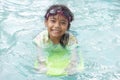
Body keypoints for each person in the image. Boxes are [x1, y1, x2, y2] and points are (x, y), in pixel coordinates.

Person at [33, 4, 84, 76]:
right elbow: (40, 55)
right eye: (53, 21)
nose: (57, 26)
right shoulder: (41, 38)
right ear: (46, 23)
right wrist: (42, 64)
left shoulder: (70, 39)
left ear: (67, 27)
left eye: (63, 23)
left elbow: (74, 56)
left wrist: (72, 65)